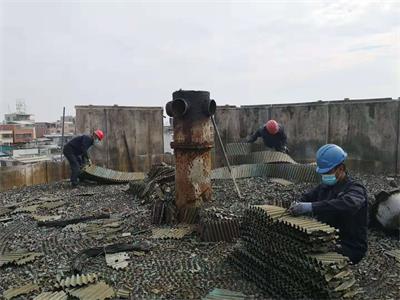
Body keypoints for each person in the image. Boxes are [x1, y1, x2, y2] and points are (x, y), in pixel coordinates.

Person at [288, 144, 368, 264]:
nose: (324, 176)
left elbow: (347, 204)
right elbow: (308, 197)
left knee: (310, 260)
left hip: (349, 245)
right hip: (326, 238)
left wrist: (311, 207)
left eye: (328, 172)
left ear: (340, 169)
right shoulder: (325, 186)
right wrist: (298, 204)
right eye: (323, 173)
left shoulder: (355, 189)